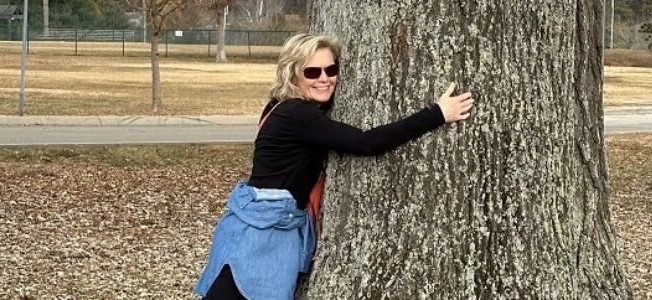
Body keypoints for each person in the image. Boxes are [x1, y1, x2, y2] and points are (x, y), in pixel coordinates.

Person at [193, 34, 474, 300]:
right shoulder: (297, 114)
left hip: (254, 226)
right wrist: (436, 115)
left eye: (331, 69)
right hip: (261, 234)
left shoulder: (281, 107)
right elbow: (366, 143)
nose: (324, 78)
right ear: (292, 74)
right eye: (312, 72)